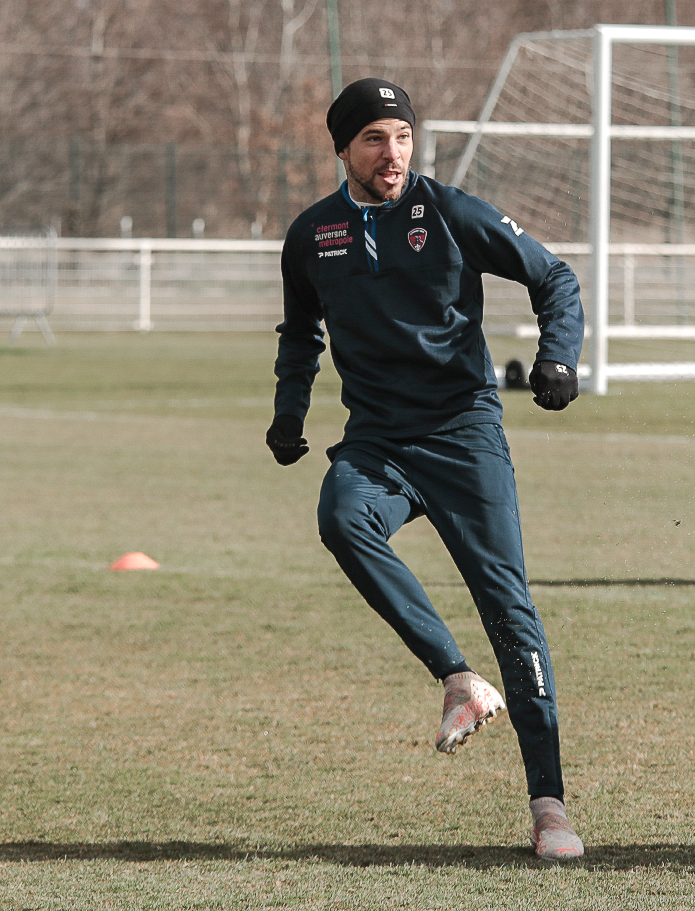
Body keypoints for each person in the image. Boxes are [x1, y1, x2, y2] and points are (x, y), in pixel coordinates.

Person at [267, 77, 587, 860]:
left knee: (508, 611)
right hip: (377, 440)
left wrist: (558, 359)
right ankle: (456, 680)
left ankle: (551, 811)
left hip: (463, 436)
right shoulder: (314, 235)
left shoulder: (449, 211)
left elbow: (555, 277)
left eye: (403, 137)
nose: (393, 153)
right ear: (343, 147)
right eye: (375, 138)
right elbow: (301, 331)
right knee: (341, 518)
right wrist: (288, 412)